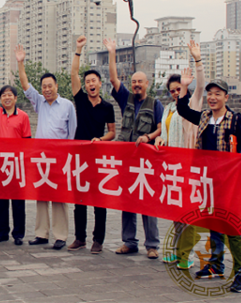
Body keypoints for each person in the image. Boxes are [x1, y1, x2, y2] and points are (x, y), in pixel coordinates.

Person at [177, 77, 241, 293]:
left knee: (232, 227)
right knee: (214, 223)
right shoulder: (203, 118)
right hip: (207, 181)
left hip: (229, 182)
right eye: (210, 94)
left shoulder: (235, 119)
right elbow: (182, 109)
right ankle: (216, 265)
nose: (212, 97)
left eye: (218, 94)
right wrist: (185, 85)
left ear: (226, 97)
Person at [103, 38, 163, 259]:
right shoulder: (125, 99)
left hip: (146, 161)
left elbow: (160, 129)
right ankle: (129, 241)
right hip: (126, 159)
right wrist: (112, 52)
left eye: (141, 82)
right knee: (127, 200)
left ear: (147, 84)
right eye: (134, 81)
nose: (137, 85)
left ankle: (152, 245)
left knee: (148, 203)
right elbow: (112, 78)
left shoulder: (155, 104)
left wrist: (149, 137)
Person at [15, 45, 77, 250]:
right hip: (41, 158)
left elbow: (72, 133)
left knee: (59, 197)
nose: (47, 89)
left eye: (50, 86)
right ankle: (41, 234)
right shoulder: (39, 102)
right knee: (41, 196)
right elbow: (25, 85)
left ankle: (60, 236)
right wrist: (21, 62)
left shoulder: (68, 105)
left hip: (60, 158)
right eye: (44, 86)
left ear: (56, 86)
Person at [154, 42, 205, 269]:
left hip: (189, 164)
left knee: (189, 211)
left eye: (179, 89)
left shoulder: (192, 105)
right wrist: (158, 139)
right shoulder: (168, 109)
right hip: (171, 165)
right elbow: (163, 134)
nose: (176, 93)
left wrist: (197, 61)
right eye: (172, 90)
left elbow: (201, 87)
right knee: (176, 210)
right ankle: (177, 248)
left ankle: (187, 253)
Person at [68, 36, 116, 254]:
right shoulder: (80, 100)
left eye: (93, 81)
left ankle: (98, 239)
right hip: (80, 155)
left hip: (99, 155)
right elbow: (73, 74)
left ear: (99, 83)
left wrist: (101, 139)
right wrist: (78, 49)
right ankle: (80, 238)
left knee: (99, 199)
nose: (90, 84)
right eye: (87, 82)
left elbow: (113, 132)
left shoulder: (107, 107)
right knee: (80, 199)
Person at [0, 70, 31, 246]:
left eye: (10, 95)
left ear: (16, 98)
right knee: (1, 201)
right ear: (1, 99)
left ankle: (18, 234)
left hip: (17, 164)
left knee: (18, 202)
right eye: (3, 95)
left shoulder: (23, 117)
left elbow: (27, 141)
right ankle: (2, 232)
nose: (7, 98)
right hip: (0, 164)